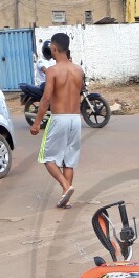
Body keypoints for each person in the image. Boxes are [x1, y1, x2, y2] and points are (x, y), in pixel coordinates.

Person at [30, 32, 84, 209]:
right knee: (69, 160)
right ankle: (65, 198)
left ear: (54, 48)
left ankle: (66, 186)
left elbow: (46, 99)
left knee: (47, 158)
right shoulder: (79, 71)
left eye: (51, 49)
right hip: (75, 119)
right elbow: (79, 93)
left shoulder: (52, 71)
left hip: (59, 118)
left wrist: (37, 123)